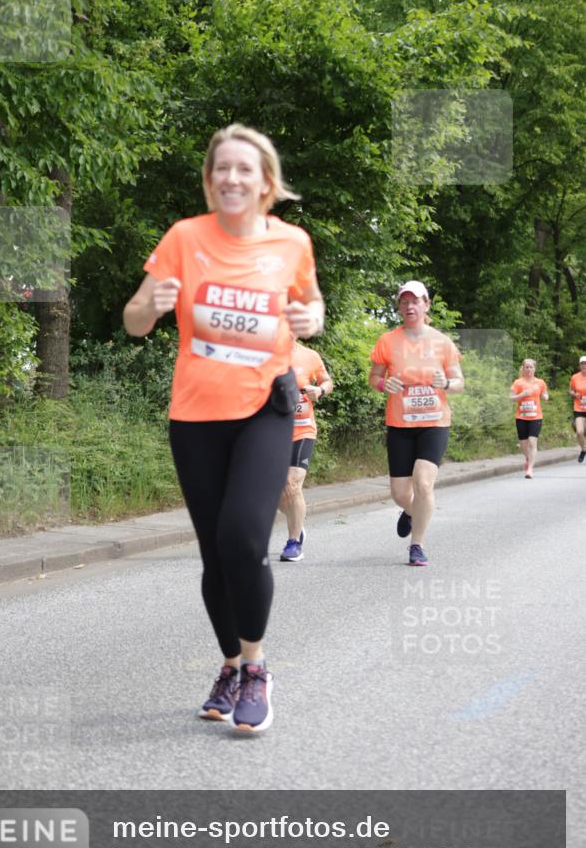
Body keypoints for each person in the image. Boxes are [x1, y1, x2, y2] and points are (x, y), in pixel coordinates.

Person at [123, 124, 324, 733]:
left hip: (265, 409)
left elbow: (312, 307)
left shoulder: (291, 243)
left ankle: (257, 670)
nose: (231, 178)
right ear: (210, 180)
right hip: (194, 417)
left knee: (242, 539)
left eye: (244, 169)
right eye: (221, 169)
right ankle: (230, 666)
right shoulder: (185, 237)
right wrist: (151, 305)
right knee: (215, 555)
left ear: (265, 181)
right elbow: (134, 321)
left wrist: (309, 319)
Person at [368, 281, 464, 566]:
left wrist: (445, 383)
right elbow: (374, 377)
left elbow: (459, 382)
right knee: (400, 493)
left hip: (434, 423)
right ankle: (411, 511)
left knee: (423, 483)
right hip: (400, 423)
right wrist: (384, 384)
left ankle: (417, 545)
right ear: (399, 307)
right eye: (404, 301)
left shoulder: (442, 342)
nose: (409, 306)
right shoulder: (388, 341)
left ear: (426, 304)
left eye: (415, 301)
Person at [279, 337, 333, 562]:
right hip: (272, 432)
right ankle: (297, 521)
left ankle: (293, 543)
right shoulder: (263, 355)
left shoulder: (310, 356)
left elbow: (327, 381)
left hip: (302, 430)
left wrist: (319, 390)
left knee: (292, 483)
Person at [509, 359, 549, 478]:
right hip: (521, 417)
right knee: (523, 444)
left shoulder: (540, 382)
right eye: (527, 367)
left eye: (531, 367)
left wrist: (545, 396)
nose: (529, 369)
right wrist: (523, 394)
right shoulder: (518, 382)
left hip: (536, 417)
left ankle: (530, 469)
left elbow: (545, 394)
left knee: (532, 442)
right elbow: (511, 397)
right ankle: (528, 457)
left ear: (534, 369)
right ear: (523, 368)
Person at [569, 355, 586, 463]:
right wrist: (574, 394)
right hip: (579, 408)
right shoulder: (575, 377)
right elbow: (571, 390)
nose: (584, 365)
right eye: (582, 363)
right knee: (579, 432)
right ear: (579, 365)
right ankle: (583, 450)